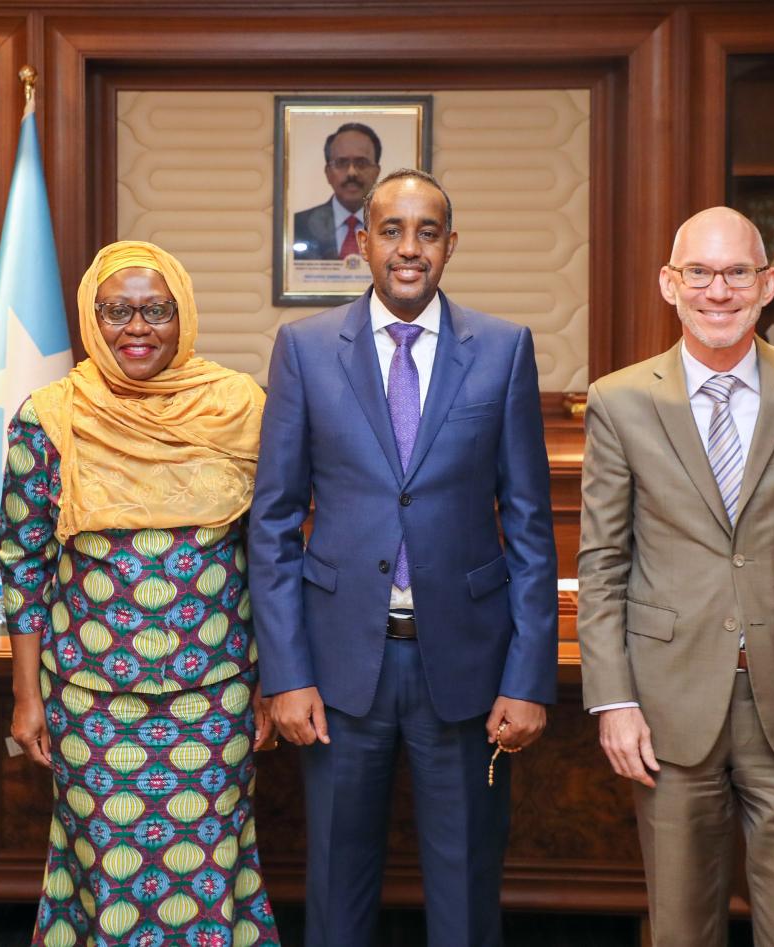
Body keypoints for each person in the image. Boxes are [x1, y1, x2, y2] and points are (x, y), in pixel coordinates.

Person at [250, 169, 558, 947]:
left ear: (451, 245)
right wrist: (286, 674)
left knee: (466, 893)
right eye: (391, 230)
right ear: (363, 242)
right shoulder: (305, 350)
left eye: (427, 232)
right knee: (336, 890)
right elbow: (274, 521)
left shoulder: (504, 349)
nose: (409, 248)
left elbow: (529, 528)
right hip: (339, 670)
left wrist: (527, 678)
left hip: (465, 667)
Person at [577, 206, 774, 946]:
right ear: (669, 283)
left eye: (736, 273)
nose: (717, 291)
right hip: (667, 709)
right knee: (681, 930)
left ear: (767, 284)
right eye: (699, 273)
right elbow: (603, 562)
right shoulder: (619, 400)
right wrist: (614, 700)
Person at [0, 241, 281, 947]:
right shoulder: (51, 415)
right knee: (105, 878)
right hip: (91, 702)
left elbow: (273, 559)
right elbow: (24, 565)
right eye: (116, 311)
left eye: (156, 310)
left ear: (182, 315)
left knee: (209, 872)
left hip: (213, 697)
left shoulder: (241, 408)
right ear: (91, 318)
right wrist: (27, 695)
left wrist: (273, 683)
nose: (136, 327)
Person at [291, 122, 382, 261]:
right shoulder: (297, 226)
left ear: (376, 172)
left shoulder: (396, 226)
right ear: (328, 173)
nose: (352, 173)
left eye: (361, 163)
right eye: (341, 163)